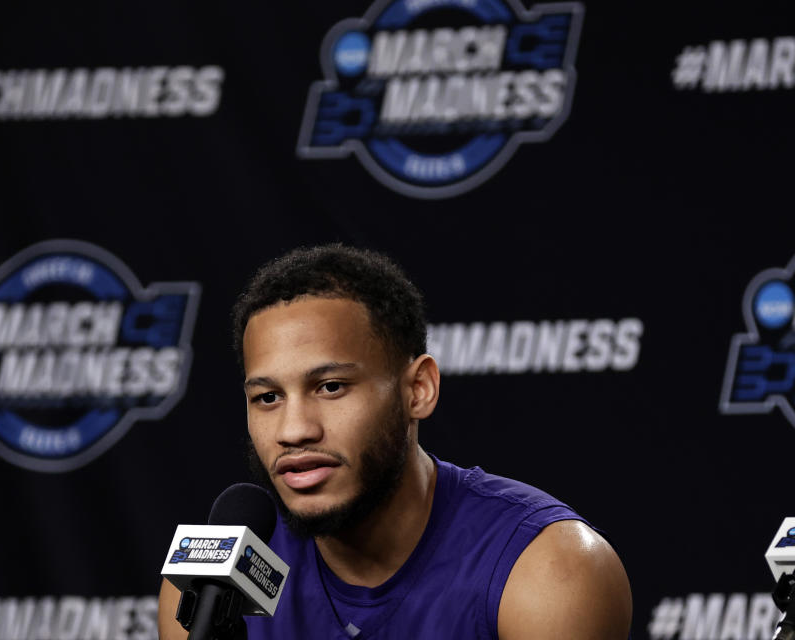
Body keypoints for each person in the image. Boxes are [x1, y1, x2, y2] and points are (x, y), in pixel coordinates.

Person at [158, 244, 632, 639]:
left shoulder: (549, 571)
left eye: (330, 387)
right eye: (267, 397)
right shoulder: (206, 590)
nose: (293, 429)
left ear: (417, 389)